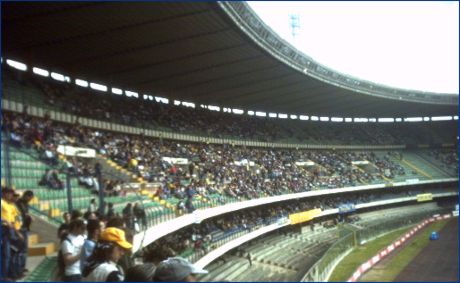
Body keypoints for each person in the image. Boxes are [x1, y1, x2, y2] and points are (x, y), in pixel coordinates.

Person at [15, 190, 34, 275]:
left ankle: (22, 267)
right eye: (30, 198)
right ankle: (18, 269)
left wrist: (29, 217)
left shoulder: (26, 203)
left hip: (25, 228)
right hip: (20, 228)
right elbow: (19, 215)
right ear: (26, 195)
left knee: (24, 249)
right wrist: (27, 215)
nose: (30, 200)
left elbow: (26, 214)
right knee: (20, 250)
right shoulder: (18, 203)